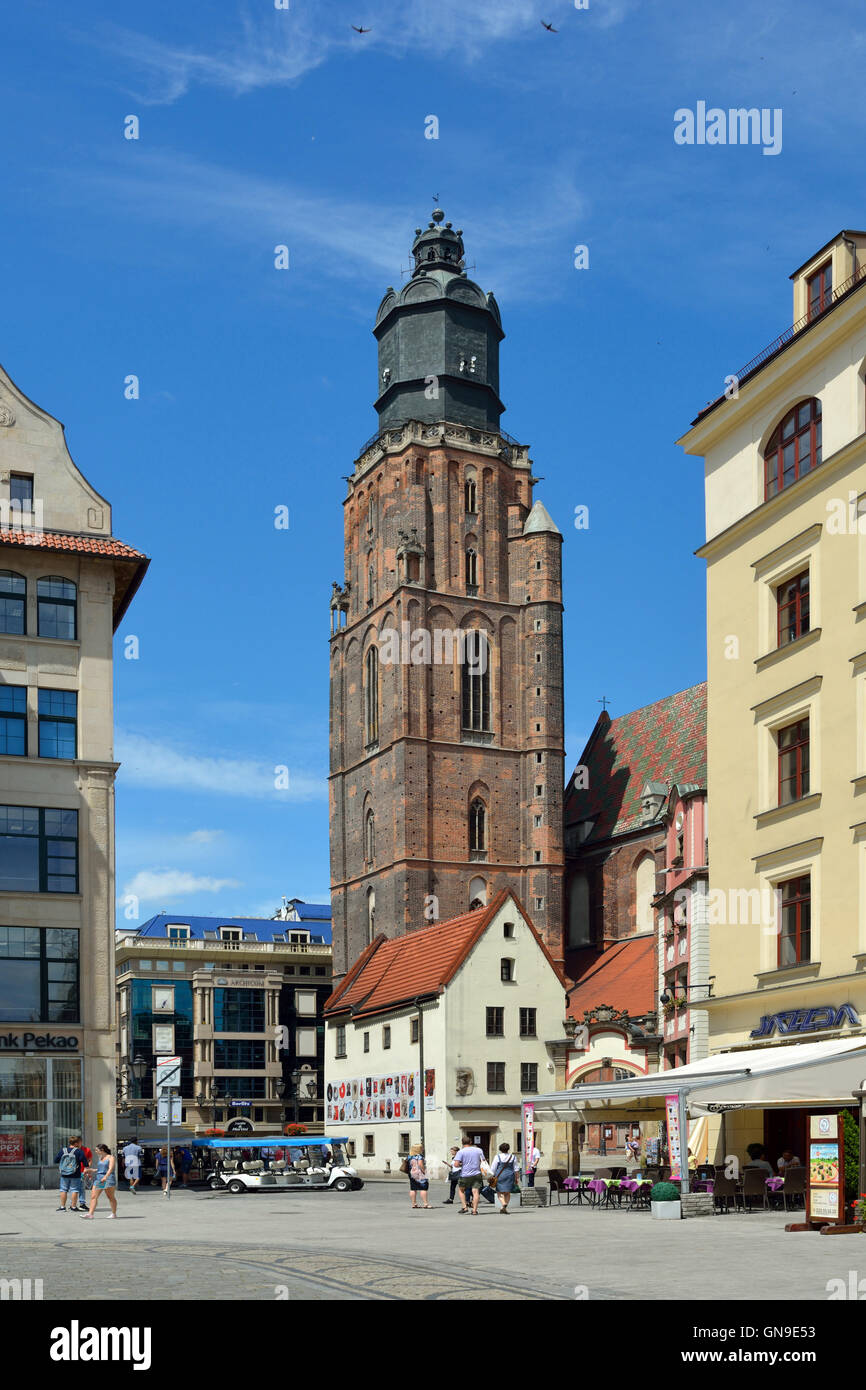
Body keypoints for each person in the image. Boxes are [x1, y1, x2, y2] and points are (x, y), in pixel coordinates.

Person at [80, 1143, 117, 1219]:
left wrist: (105, 1177)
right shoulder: (100, 1158)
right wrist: (91, 1170)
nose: (96, 1152)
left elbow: (110, 1169)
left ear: (102, 1150)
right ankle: (90, 1214)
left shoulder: (111, 1157)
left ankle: (113, 1213)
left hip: (107, 1179)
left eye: (97, 1150)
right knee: (94, 1196)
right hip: (99, 1179)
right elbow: (101, 1169)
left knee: (110, 1197)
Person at [453, 1135, 486, 1215]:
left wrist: (462, 1164)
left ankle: (464, 1207)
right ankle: (474, 1210)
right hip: (477, 1173)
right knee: (475, 1192)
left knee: (461, 1190)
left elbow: (456, 1164)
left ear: (462, 1143)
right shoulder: (478, 1150)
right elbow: (483, 1161)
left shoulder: (461, 1152)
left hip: (465, 1174)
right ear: (471, 1142)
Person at [55, 1135, 86, 1212]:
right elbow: (86, 1164)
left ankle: (62, 1207)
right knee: (74, 1190)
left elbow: (56, 1160)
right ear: (76, 1143)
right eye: (79, 1143)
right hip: (75, 1174)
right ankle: (73, 1207)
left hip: (64, 1174)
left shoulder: (63, 1150)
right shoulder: (79, 1151)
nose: (79, 1144)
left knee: (63, 1190)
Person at [491, 1142, 520, 1214]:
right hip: (510, 1175)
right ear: (508, 1149)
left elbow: (493, 1168)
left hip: (500, 1176)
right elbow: (516, 1169)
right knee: (507, 1192)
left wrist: (492, 1176)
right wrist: (516, 1178)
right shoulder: (513, 1157)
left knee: (499, 1192)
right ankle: (503, 1208)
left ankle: (503, 1203)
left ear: (500, 1149)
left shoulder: (497, 1157)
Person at [407, 1143, 431, 1209]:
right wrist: (424, 1172)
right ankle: (425, 1204)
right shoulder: (419, 1156)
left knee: (413, 1188)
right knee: (423, 1188)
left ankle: (414, 1204)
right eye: (421, 1148)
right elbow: (420, 1164)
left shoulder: (409, 1156)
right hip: (420, 1174)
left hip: (412, 1174)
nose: (422, 1149)